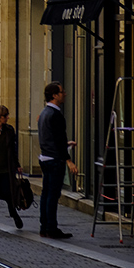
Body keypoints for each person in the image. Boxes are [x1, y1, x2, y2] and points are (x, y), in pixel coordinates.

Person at [38, 81, 77, 239]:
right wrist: (69, 160)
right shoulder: (56, 115)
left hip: (45, 157)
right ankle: (51, 228)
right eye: (62, 92)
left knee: (46, 194)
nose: (64, 94)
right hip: (54, 160)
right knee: (53, 195)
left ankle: (44, 226)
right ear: (54, 95)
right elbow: (59, 139)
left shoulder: (44, 113)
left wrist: (64, 145)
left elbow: (51, 137)